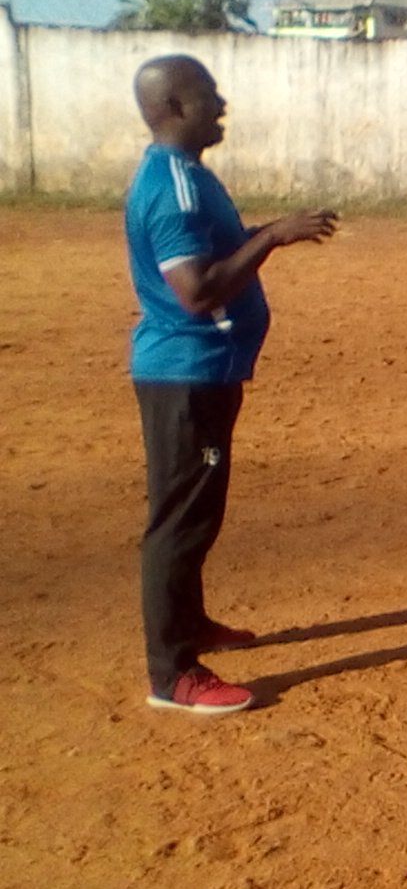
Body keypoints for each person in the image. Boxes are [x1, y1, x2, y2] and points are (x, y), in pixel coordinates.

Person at [124, 54, 338, 714]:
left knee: (199, 511)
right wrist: (272, 236)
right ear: (177, 108)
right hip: (186, 374)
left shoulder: (190, 176)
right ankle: (173, 673)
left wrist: (263, 235)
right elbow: (196, 291)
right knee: (180, 521)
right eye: (210, 95)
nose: (223, 104)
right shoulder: (173, 187)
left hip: (206, 372)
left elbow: (215, 258)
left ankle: (189, 625)